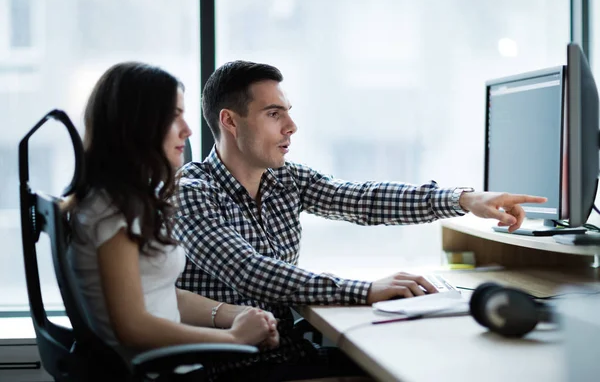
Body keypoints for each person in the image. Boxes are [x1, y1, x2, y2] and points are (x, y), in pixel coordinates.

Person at [173, 60, 547, 380]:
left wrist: (464, 199)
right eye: (274, 114)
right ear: (230, 122)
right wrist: (365, 290)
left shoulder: (286, 179)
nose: (291, 126)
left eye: (288, 111)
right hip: (229, 366)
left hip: (283, 353)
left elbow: (363, 199)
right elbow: (252, 272)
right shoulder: (192, 192)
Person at [68, 62, 279, 380]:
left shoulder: (123, 200)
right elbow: (133, 326)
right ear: (139, 125)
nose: (188, 129)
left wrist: (235, 315)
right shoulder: (111, 212)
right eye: (174, 116)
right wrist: (234, 339)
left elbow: (158, 292)